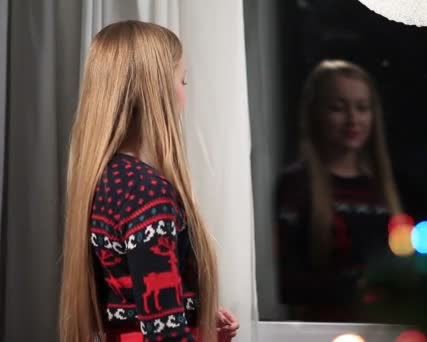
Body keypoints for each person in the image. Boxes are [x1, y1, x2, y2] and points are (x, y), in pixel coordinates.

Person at [59, 21, 238, 342]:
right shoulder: (145, 191)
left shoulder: (111, 180)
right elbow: (163, 333)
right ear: (157, 92)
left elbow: (130, 300)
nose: (185, 94)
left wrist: (193, 310)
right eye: (182, 81)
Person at [275, 59, 403, 321]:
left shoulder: (384, 188)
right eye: (337, 108)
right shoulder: (297, 185)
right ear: (315, 114)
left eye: (362, 108)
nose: (353, 120)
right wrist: (356, 287)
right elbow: (289, 284)